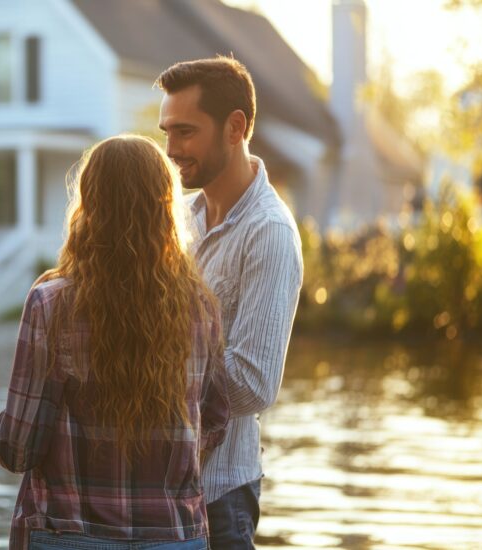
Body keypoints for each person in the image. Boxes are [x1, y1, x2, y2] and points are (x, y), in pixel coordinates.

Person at [0, 135, 230, 550]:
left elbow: (17, 451)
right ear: (165, 210)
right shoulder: (199, 308)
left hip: (69, 535)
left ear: (88, 206)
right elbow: (214, 422)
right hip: (174, 537)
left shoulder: (51, 304)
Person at [156, 56, 304, 549]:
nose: (170, 150)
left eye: (185, 132)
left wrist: (146, 371)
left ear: (235, 127)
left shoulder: (270, 233)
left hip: (219, 499)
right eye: (166, 132)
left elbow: (253, 383)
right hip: (159, 489)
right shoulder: (181, 219)